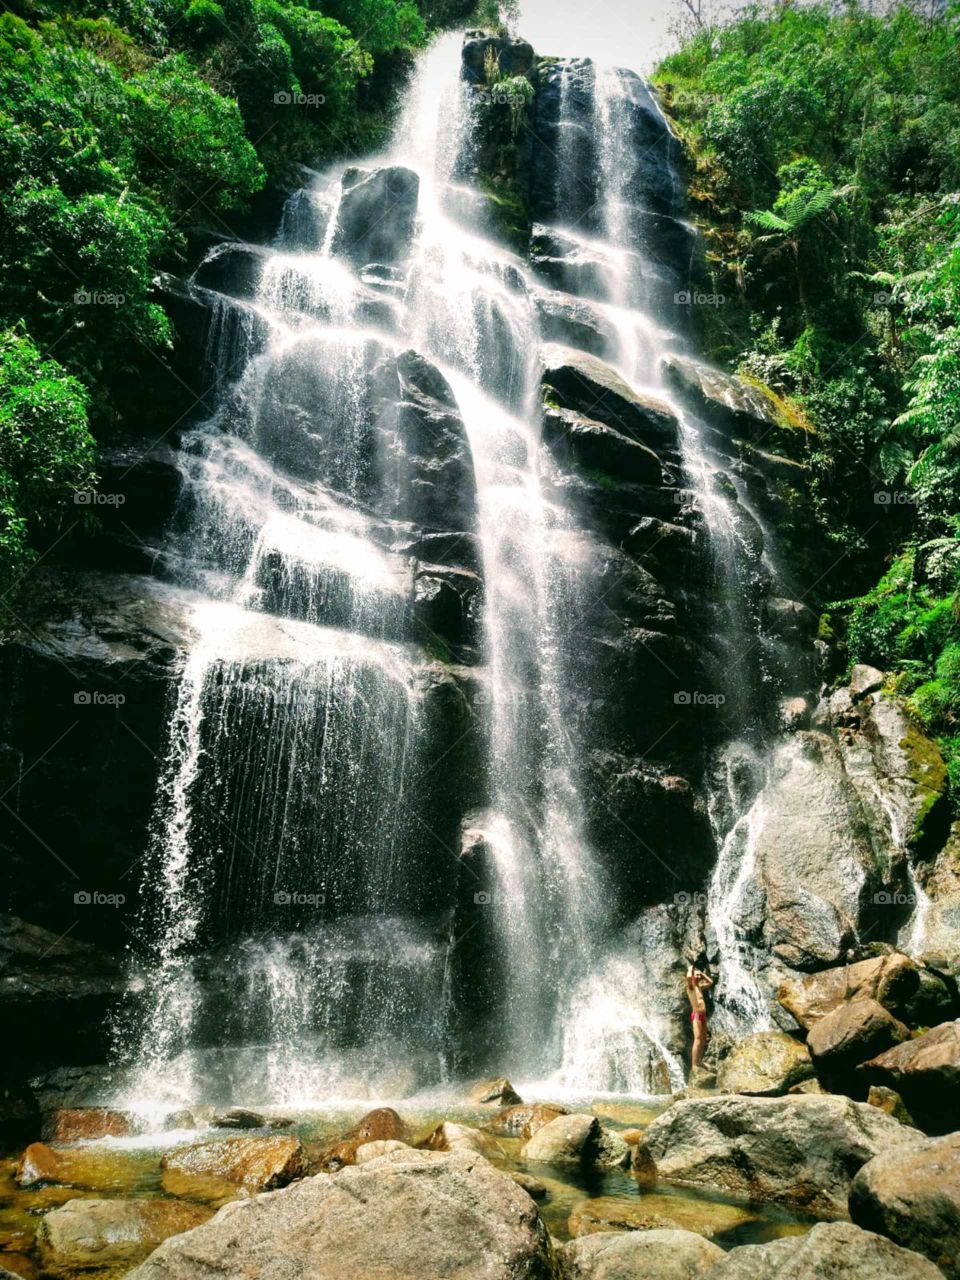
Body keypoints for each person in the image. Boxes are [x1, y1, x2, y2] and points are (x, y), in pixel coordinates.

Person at [685, 964, 714, 1070]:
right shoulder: (691, 987)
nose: (697, 977)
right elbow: (688, 977)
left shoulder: (699, 987)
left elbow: (711, 982)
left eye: (698, 976)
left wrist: (701, 974)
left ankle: (699, 1061)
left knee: (703, 1040)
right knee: (697, 1039)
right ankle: (694, 1064)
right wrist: (691, 968)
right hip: (696, 1016)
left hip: (703, 1016)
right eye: (696, 976)